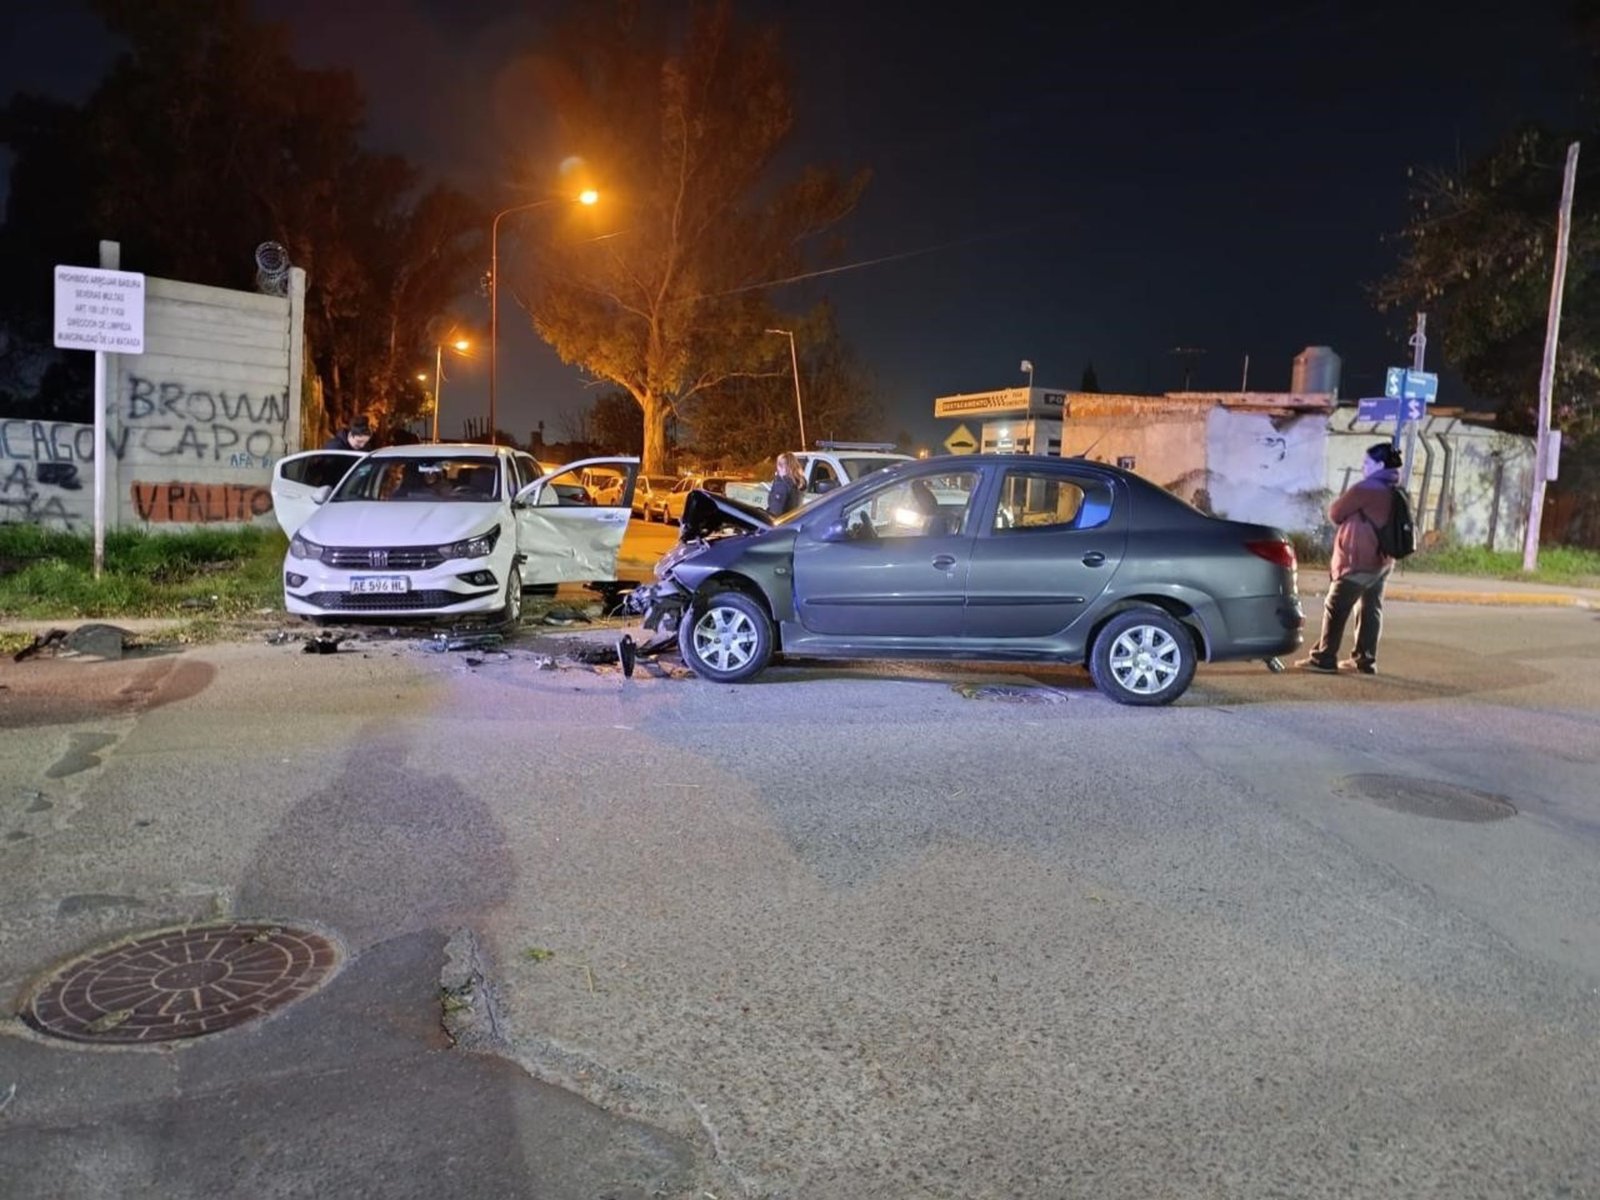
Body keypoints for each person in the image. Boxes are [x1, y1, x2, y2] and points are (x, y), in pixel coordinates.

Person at [1297, 442, 1404, 675]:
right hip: (1382, 561)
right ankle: (1365, 660)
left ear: (1379, 465)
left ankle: (1324, 658)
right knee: (1370, 608)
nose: (1363, 466)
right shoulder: (1395, 489)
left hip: (1359, 560)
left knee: (1335, 605)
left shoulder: (1366, 489)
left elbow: (1335, 513)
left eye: (1367, 462)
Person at [766, 452, 805, 516]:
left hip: (782, 520)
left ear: (780, 467)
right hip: (792, 520)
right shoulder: (799, 483)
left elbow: (775, 512)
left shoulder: (782, 485)